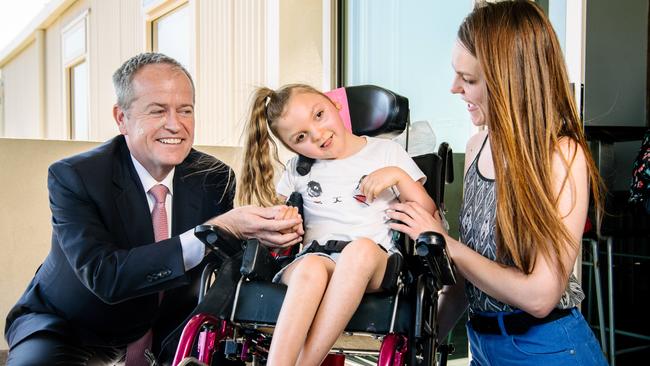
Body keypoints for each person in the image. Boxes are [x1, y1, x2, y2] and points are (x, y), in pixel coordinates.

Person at [4, 53, 303, 366]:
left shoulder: (213, 177)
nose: (175, 124)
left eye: (185, 110)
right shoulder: (76, 177)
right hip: (69, 326)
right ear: (122, 118)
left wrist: (270, 237)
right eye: (158, 111)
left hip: (167, 333)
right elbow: (107, 277)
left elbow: (226, 263)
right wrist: (211, 232)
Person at [386, 1, 609, 365]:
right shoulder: (477, 146)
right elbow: (465, 285)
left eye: (469, 79)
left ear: (511, 80)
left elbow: (540, 297)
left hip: (549, 351)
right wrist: (418, 351)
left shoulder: (561, 155)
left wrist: (445, 243)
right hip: (484, 348)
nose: (454, 88)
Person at [237, 83, 436, 365]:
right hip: (317, 255)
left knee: (360, 251)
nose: (317, 135)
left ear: (335, 104)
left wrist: (398, 176)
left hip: (375, 262)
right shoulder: (298, 169)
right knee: (310, 269)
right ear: (292, 147)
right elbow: (274, 221)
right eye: (301, 136)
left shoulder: (386, 152)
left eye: (319, 115)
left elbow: (427, 212)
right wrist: (283, 222)